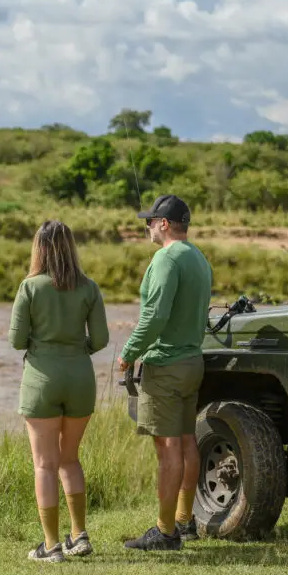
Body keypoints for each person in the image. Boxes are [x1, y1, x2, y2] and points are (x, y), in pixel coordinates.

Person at [9, 219, 110, 563]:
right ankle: (79, 536)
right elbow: (101, 340)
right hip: (80, 378)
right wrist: (74, 347)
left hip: (42, 380)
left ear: (39, 248)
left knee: (44, 464)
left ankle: (51, 545)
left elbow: (15, 340)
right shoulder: (89, 288)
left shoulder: (30, 287)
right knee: (69, 459)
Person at [118, 194, 212, 551]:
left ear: (164, 224)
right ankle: (185, 521)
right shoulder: (199, 259)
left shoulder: (166, 258)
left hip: (167, 365)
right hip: (193, 363)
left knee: (168, 446)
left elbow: (155, 317)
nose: (146, 227)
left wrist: (129, 353)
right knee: (187, 440)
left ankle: (165, 531)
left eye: (149, 221)